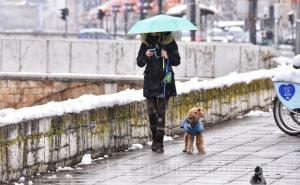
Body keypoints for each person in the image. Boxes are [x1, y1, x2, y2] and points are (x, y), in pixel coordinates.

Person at [136, 32, 181, 153]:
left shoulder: (169, 42)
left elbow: (177, 61)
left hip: (165, 82)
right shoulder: (146, 43)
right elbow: (140, 62)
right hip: (150, 82)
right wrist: (146, 55)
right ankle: (155, 137)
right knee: (152, 112)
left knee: (161, 113)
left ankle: (159, 142)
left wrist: (167, 56)